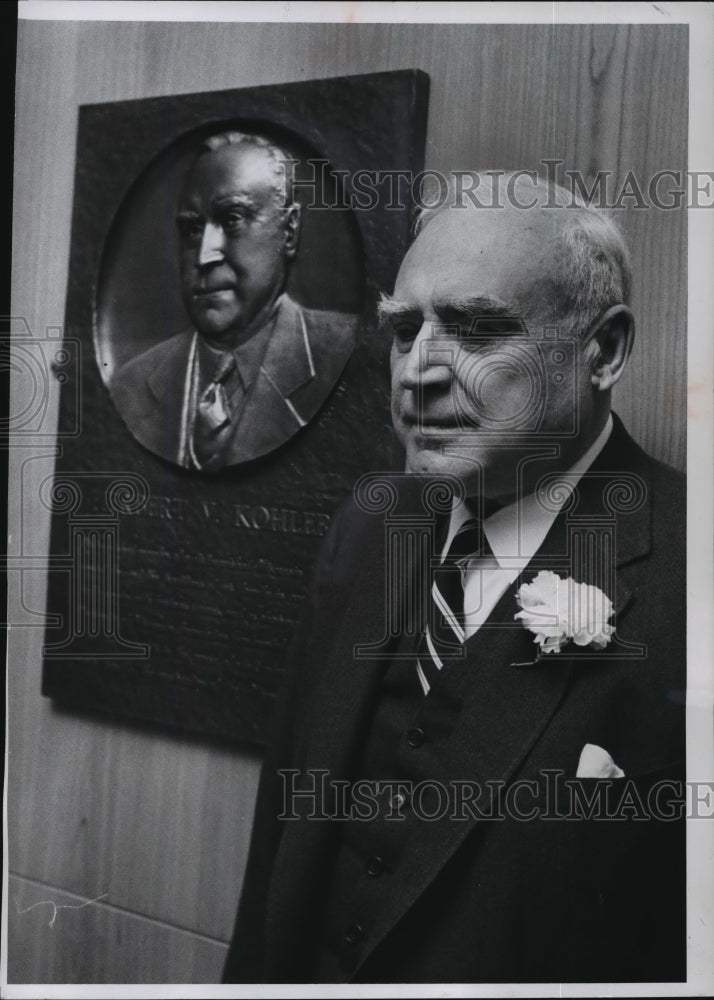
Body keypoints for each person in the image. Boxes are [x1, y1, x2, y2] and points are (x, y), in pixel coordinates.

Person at [223, 173, 686, 983]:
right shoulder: (366, 528)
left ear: (603, 351)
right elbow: (278, 850)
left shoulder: (698, 569)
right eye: (405, 331)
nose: (418, 372)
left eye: (476, 329)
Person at [111, 131, 358, 470]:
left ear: (289, 231)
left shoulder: (348, 353)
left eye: (232, 219)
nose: (204, 255)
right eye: (193, 229)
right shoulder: (131, 385)